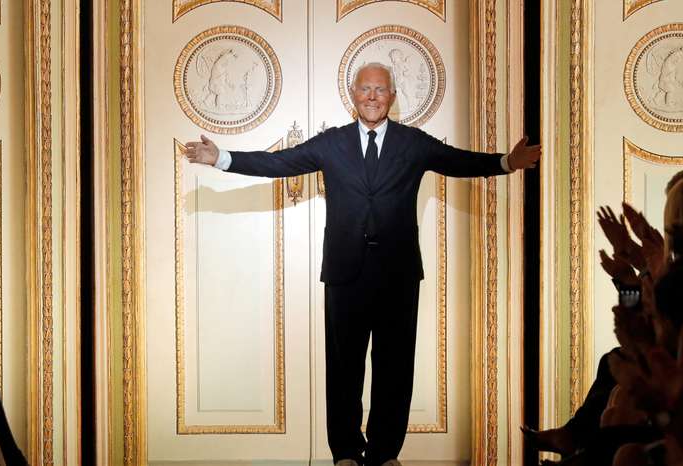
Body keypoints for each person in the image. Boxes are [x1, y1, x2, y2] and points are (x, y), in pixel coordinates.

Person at [184, 62, 541, 466]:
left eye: (381, 89)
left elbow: (458, 161)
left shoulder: (413, 143)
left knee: (394, 367)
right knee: (344, 369)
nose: (372, 96)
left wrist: (506, 163)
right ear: (353, 95)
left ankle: (386, 452)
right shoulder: (331, 143)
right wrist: (223, 158)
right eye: (365, 89)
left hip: (398, 275)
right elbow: (280, 162)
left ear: (392, 97)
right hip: (344, 274)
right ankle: (346, 452)